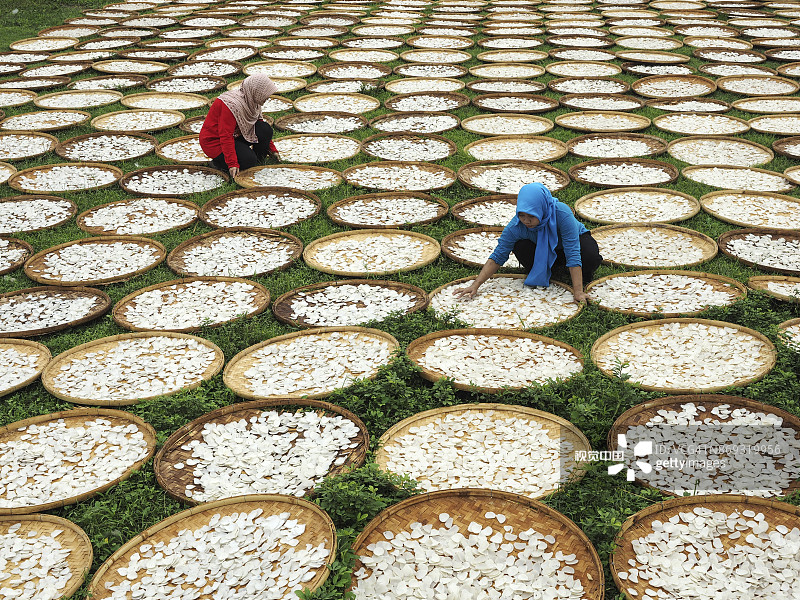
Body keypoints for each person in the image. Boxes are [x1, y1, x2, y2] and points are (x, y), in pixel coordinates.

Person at [453, 182, 602, 304]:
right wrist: (476, 285)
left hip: (571, 244)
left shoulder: (561, 214)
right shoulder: (516, 226)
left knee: (589, 256)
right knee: (520, 246)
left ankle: (578, 273)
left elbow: (572, 251)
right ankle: (551, 268)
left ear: (541, 209)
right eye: (522, 215)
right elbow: (498, 256)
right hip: (544, 249)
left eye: (531, 215)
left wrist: (578, 291)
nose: (526, 220)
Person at [199, 73, 281, 178]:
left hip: (236, 136)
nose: (267, 97)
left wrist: (272, 149)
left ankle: (256, 159)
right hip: (215, 142)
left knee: (264, 129)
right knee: (248, 160)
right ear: (256, 91)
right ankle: (218, 163)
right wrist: (232, 163)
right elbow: (225, 136)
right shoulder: (231, 105)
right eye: (265, 94)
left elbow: (259, 125)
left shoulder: (252, 100)